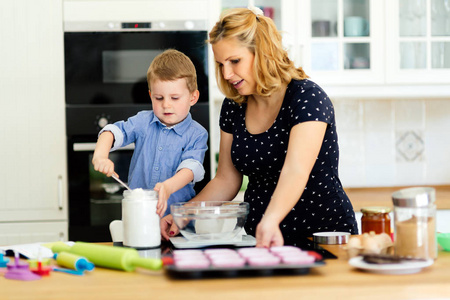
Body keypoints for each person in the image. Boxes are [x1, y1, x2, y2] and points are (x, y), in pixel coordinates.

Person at [160, 7, 358, 247]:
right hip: (263, 237)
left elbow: (296, 171)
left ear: (262, 53)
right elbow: (225, 179)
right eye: (221, 64)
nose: (227, 73)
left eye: (235, 61)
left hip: (323, 236)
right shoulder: (234, 105)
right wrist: (184, 215)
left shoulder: (307, 98)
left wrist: (271, 219)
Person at [92, 49, 208, 217]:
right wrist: (100, 156)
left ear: (193, 97)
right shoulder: (142, 121)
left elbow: (191, 169)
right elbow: (112, 131)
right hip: (139, 216)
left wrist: (168, 187)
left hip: (176, 220)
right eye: (159, 98)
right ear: (150, 95)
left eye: (175, 98)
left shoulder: (197, 134)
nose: (166, 105)